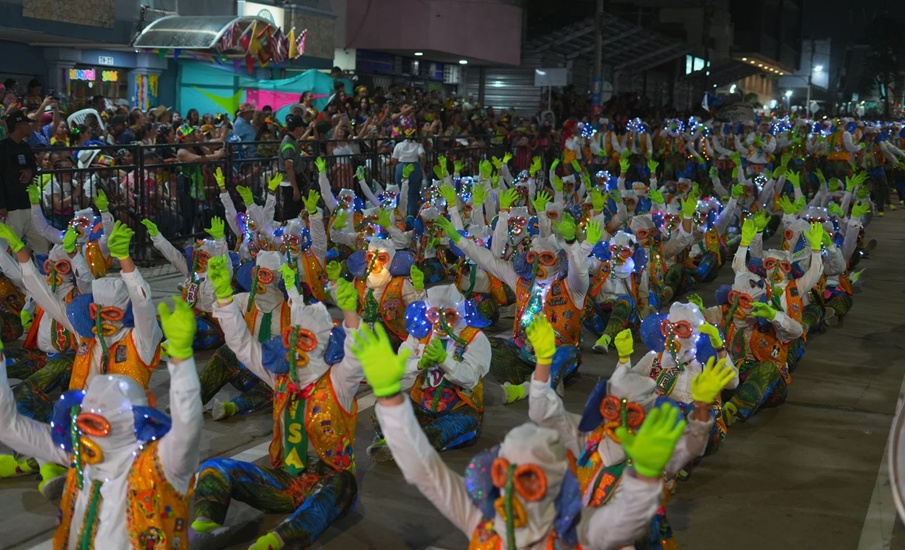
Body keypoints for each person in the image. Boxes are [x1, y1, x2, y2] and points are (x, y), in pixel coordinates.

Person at [0, 110, 48, 253]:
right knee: (13, 248)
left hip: (29, 204)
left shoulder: (25, 146)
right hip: (12, 207)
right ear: (19, 126)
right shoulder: (2, 148)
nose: (30, 127)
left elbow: (33, 167)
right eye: (27, 123)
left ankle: (43, 273)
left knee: (42, 244)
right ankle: (13, 276)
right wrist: (1, 205)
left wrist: (29, 170)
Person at [279, 114, 307, 220]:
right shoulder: (288, 144)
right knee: (291, 213)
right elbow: (289, 168)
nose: (303, 130)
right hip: (289, 184)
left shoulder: (292, 141)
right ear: (298, 127)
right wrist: (295, 188)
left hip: (294, 181)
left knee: (297, 212)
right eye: (302, 127)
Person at [392, 128, 425, 219]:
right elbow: (422, 156)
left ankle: (401, 217)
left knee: (403, 192)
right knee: (412, 194)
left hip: (401, 167)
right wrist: (421, 166)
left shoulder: (399, 145)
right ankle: (411, 217)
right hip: (414, 168)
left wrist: (398, 167)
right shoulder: (418, 145)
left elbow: (394, 159)